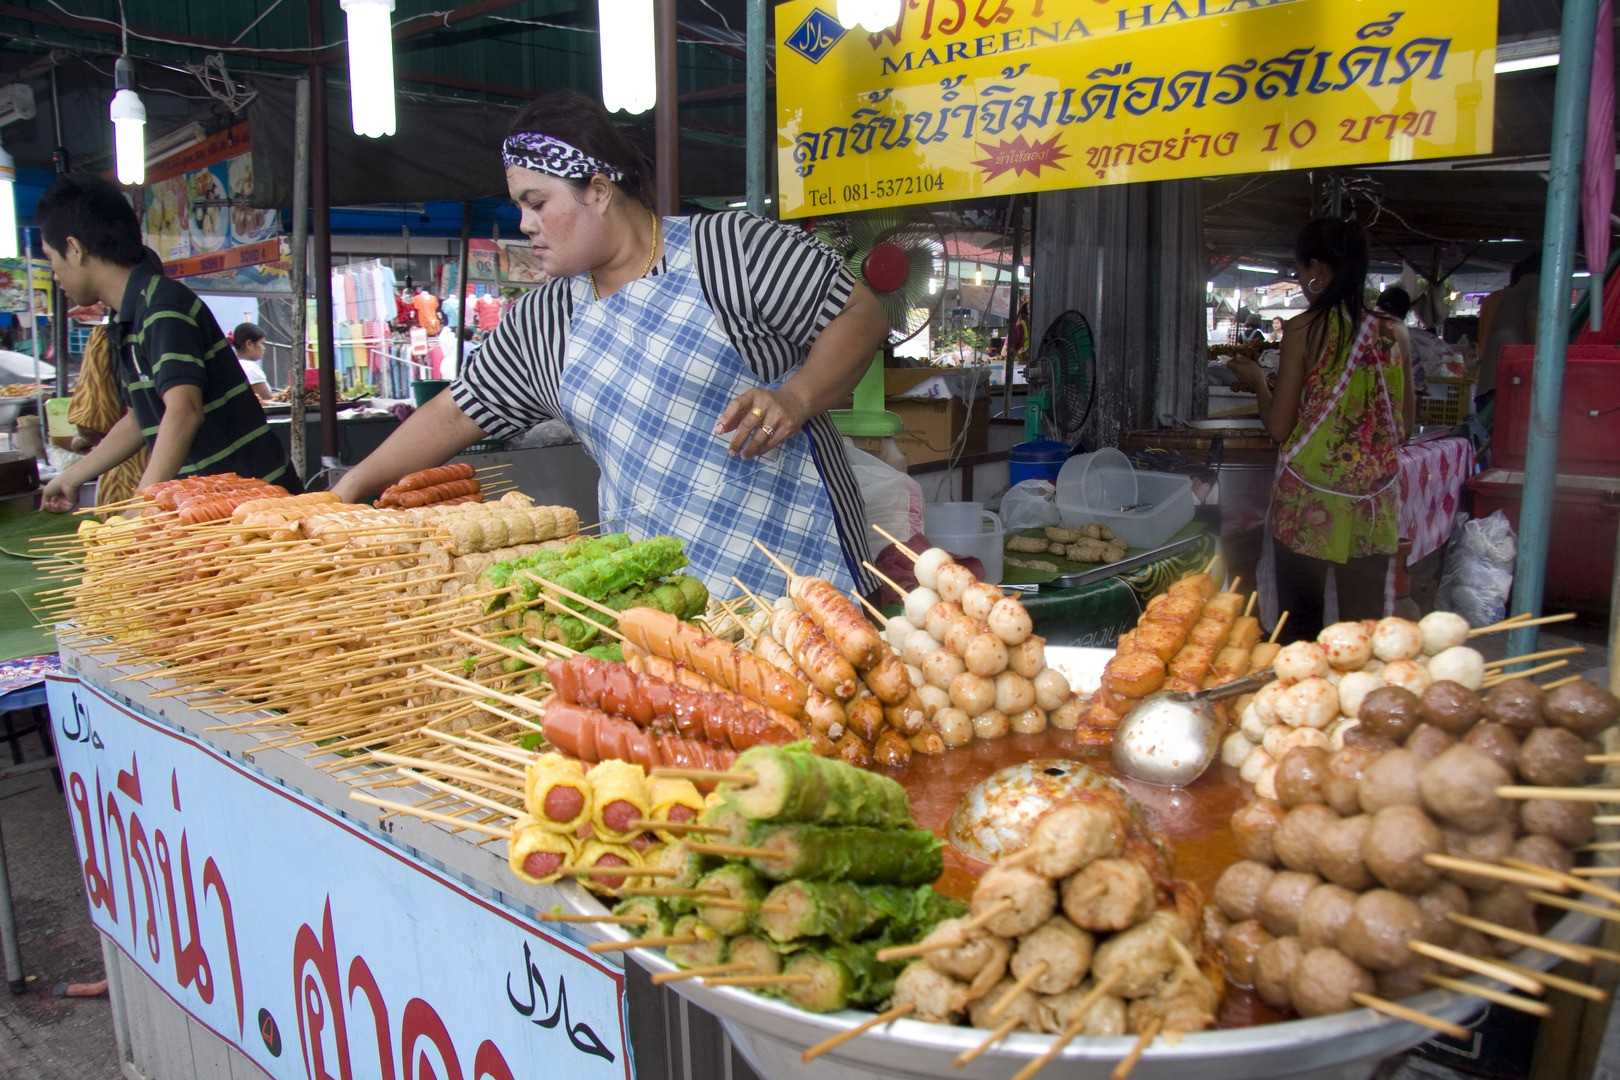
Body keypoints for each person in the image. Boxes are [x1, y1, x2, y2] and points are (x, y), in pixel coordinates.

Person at [330, 91, 888, 595]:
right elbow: (457, 413)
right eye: (520, 206)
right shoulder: (544, 320)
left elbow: (860, 314)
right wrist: (349, 489)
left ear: (597, 191)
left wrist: (796, 397)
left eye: (537, 202)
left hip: (799, 570)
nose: (524, 223)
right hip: (661, 590)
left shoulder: (729, 251)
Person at [37, 174, 295, 512]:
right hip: (212, 507)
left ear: (74, 248)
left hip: (257, 507)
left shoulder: (162, 306)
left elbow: (183, 411)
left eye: (51, 260)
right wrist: (74, 476)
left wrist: (142, 506)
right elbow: (140, 418)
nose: (55, 276)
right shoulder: (128, 317)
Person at [1229, 218, 1414, 640]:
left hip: (1309, 506)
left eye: (1299, 269)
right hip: (1373, 508)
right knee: (1363, 636)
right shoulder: (1395, 332)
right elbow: (1401, 426)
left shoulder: (1304, 329)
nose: (1298, 277)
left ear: (1317, 268)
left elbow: (1279, 428)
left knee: (1300, 632)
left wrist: (1258, 379)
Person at [65, 325, 148, 508]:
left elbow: (90, 423)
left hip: (128, 477)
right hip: (179, 482)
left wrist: (84, 442)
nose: (65, 293)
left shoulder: (105, 337)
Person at [232, 322, 274, 401]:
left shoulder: (232, 364)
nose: (264, 348)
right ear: (249, 344)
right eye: (262, 343)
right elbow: (268, 399)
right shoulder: (250, 368)